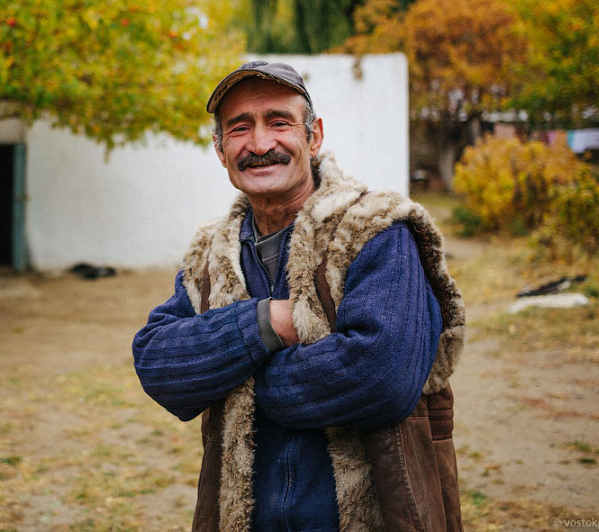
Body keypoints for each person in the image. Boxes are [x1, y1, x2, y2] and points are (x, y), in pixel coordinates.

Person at [132, 61, 466, 531]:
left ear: (313, 137)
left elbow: (381, 378)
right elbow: (158, 363)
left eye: (279, 122)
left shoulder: (376, 231)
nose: (260, 143)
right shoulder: (210, 254)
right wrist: (270, 322)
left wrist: (238, 380)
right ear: (220, 150)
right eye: (239, 128)